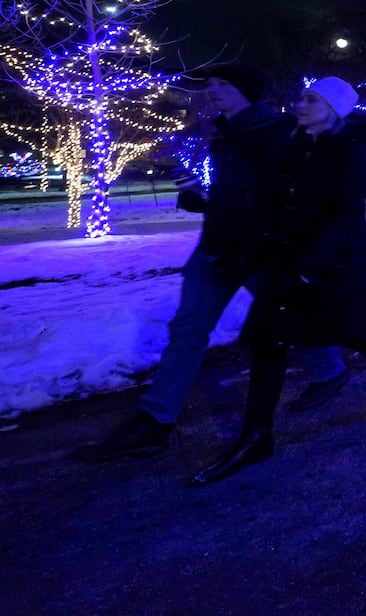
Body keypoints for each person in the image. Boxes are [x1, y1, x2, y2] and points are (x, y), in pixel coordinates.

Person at [72, 63, 347, 462]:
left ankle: (330, 371)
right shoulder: (223, 132)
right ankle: (155, 422)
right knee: (188, 328)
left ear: (246, 90)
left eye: (223, 83)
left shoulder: (279, 133)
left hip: (260, 252)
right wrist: (204, 200)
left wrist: (282, 244)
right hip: (216, 248)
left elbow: (292, 198)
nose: (213, 90)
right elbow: (236, 192)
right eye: (211, 84)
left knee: (294, 319)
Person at [191, 77, 366, 485]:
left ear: (333, 109)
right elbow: (275, 205)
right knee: (267, 339)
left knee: (353, 332)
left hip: (334, 266)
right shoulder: (296, 145)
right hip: (288, 261)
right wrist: (242, 238)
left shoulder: (355, 152)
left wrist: (310, 266)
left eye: (311, 99)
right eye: (301, 97)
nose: (299, 104)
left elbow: (345, 217)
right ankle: (256, 437)